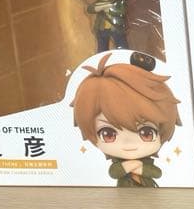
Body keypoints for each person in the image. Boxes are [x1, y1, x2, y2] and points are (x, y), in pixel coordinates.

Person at [71, 52, 181, 187]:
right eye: (108, 134)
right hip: (123, 195)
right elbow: (113, 172)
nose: (128, 143)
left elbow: (157, 173)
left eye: (146, 133)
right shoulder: (117, 165)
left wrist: (136, 167)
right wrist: (132, 166)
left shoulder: (146, 162)